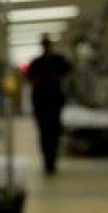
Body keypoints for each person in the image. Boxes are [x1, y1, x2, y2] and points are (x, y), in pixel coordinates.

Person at [27, 36, 71, 175]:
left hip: (52, 103)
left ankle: (51, 162)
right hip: (43, 103)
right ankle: (48, 162)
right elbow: (29, 78)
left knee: (52, 133)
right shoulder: (37, 63)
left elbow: (68, 72)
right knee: (45, 133)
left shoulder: (57, 61)